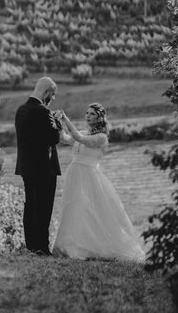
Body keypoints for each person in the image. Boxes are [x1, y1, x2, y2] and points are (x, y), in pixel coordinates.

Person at [52, 103, 146, 262]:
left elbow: (80, 139)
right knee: (73, 207)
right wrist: (59, 123)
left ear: (100, 118)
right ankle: (69, 246)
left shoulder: (101, 137)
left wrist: (66, 118)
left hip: (89, 175)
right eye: (87, 113)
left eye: (92, 114)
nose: (88, 116)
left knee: (93, 209)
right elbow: (65, 138)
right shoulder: (83, 132)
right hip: (74, 173)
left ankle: (92, 246)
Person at [14, 77, 62, 255]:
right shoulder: (43, 111)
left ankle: (31, 245)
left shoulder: (21, 110)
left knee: (30, 205)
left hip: (26, 167)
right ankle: (42, 246)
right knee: (44, 208)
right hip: (44, 168)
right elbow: (54, 138)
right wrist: (57, 122)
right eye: (53, 95)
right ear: (47, 92)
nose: (52, 99)